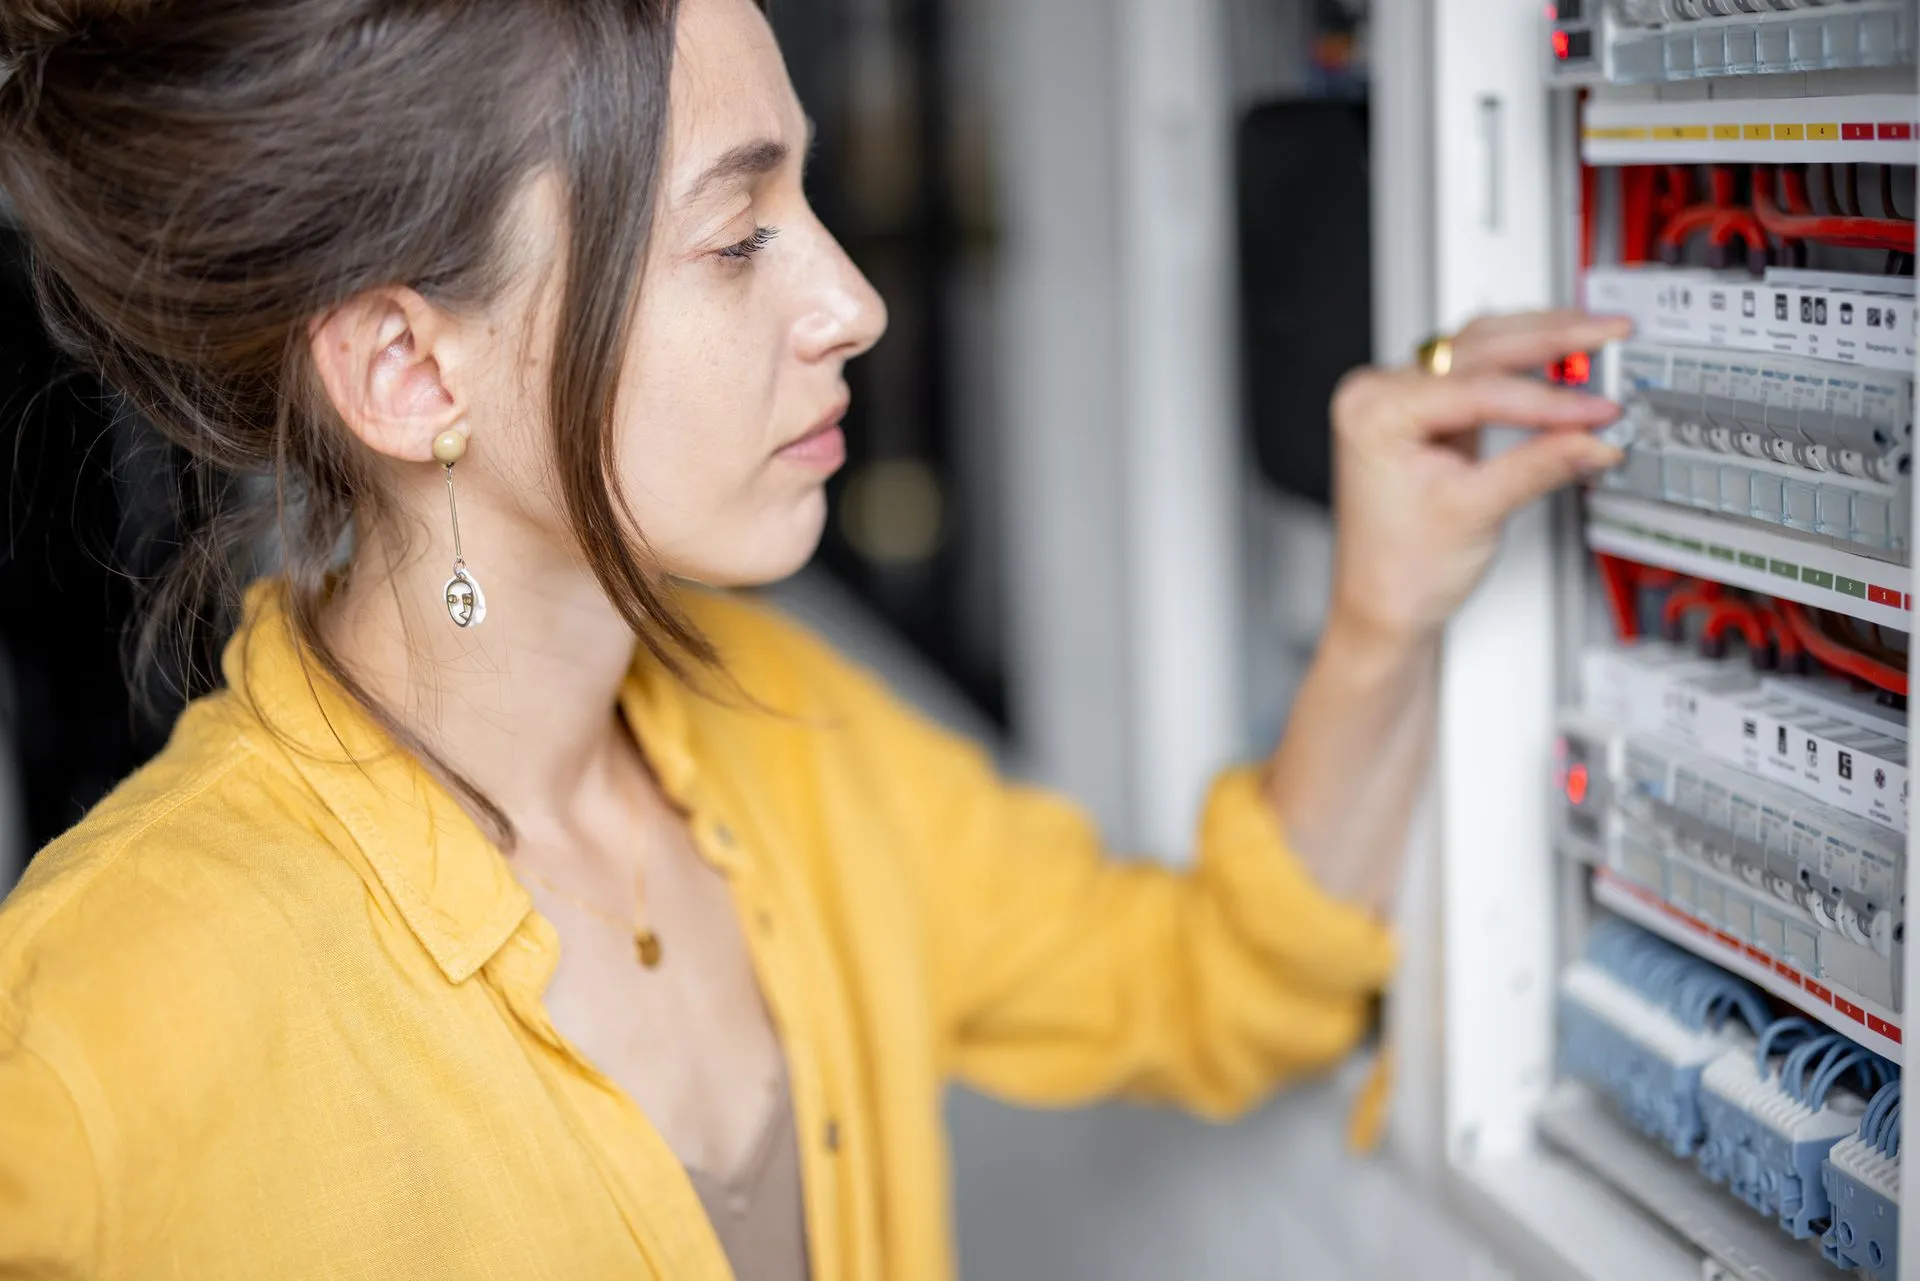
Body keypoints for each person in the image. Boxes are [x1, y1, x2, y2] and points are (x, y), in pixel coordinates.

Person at [0, 1, 1630, 1277]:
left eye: (810, 197)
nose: (853, 300)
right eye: (736, 237)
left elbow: (1215, 983)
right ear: (416, 377)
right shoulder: (87, 1037)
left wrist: (1381, 610)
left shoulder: (788, 728)